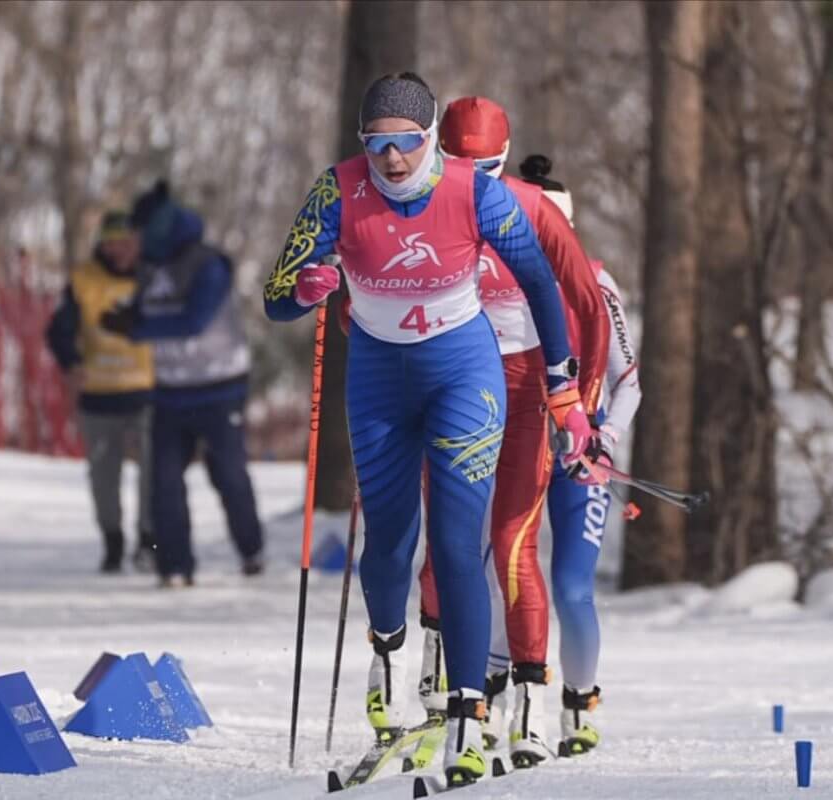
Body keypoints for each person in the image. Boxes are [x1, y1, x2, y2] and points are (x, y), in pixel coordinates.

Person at [263, 72, 591, 787]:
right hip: (380, 381)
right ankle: (389, 651)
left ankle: (468, 714)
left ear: (430, 135)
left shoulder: (472, 190)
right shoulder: (337, 190)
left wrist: (564, 385)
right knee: (387, 541)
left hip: (462, 374)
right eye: (377, 144)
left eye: (407, 142)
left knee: (453, 539)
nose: (393, 158)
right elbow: (275, 298)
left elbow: (540, 281)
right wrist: (305, 288)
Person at [414, 96, 609, 768]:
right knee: (446, 538)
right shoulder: (417, 201)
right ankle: (442, 692)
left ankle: (528, 703)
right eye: (459, 167)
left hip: (526, 387)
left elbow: (591, 306)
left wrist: (580, 405)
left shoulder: (533, 207)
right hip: (453, 381)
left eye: (487, 170)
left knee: (511, 543)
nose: (474, 184)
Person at [521, 153, 643, 757]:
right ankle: (505, 694)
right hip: (515, 442)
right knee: (505, 574)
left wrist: (603, 440)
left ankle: (579, 702)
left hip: (579, 451)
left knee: (572, 586)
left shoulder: (595, 280)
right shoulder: (496, 272)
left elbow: (631, 381)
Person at [101, 181, 264, 587]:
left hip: (220, 386)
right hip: (171, 391)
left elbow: (194, 321)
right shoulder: (151, 267)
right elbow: (147, 309)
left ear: (156, 229)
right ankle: (174, 566)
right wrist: (125, 317)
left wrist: (138, 328)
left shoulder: (208, 265)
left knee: (227, 474)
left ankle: (251, 549)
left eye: (138, 232)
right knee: (163, 482)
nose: (132, 241)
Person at [46, 211, 156, 574]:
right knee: (103, 477)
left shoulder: (153, 275)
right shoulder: (84, 280)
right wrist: (71, 362)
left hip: (148, 392)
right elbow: (59, 330)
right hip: (99, 393)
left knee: (154, 474)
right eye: (112, 243)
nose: (119, 251)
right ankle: (113, 542)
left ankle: (148, 542)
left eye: (125, 243)